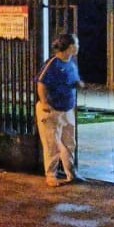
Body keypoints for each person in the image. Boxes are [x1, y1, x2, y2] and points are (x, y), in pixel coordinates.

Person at [35, 32, 83, 187]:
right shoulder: (53, 64)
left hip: (67, 109)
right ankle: (51, 175)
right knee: (52, 144)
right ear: (68, 47)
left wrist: (78, 84)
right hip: (52, 109)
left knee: (69, 143)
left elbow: (73, 80)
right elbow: (41, 84)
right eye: (76, 44)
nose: (78, 47)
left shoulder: (71, 63)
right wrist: (43, 103)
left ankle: (71, 173)